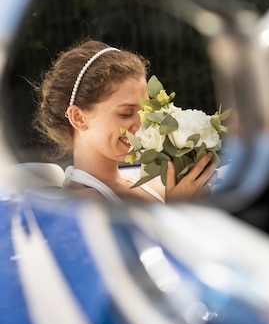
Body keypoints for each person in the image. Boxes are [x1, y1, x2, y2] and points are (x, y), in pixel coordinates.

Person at [34, 39, 217, 204]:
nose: (141, 125)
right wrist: (179, 209)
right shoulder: (81, 203)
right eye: (126, 113)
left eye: (144, 112)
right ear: (78, 118)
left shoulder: (151, 185)